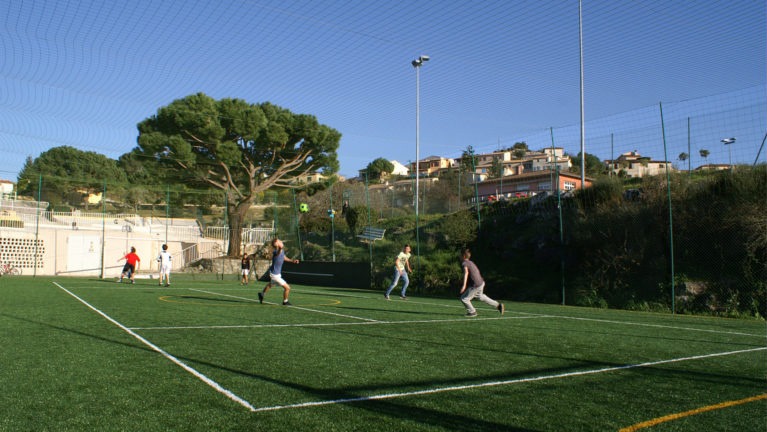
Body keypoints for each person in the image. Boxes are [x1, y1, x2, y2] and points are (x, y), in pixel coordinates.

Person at [459, 248, 504, 317]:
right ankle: (498, 305)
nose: (459, 256)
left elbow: (466, 273)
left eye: (460, 255)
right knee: (481, 297)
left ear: (464, 256)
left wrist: (464, 286)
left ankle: (472, 312)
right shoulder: (471, 262)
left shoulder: (464, 263)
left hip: (476, 284)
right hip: (481, 283)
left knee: (464, 298)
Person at [258, 238, 299, 305]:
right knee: (287, 288)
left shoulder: (281, 251)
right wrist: (280, 248)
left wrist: (292, 261)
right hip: (274, 275)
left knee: (270, 285)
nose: (281, 241)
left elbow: (284, 257)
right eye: (279, 241)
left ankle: (261, 294)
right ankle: (285, 301)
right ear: (276, 244)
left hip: (276, 273)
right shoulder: (276, 251)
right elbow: (278, 253)